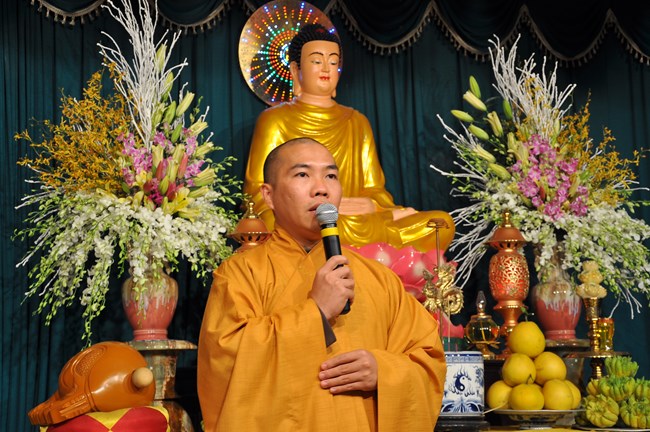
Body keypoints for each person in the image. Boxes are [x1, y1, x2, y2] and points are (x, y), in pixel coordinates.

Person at [198, 137, 446, 431]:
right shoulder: (241, 274)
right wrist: (315, 312)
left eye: (330, 176)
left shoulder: (380, 279)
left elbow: (428, 360)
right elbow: (226, 365)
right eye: (303, 174)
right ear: (268, 195)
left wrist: (384, 372)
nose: (321, 188)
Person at [244, 23, 455, 253]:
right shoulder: (275, 120)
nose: (326, 68)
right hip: (306, 219)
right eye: (316, 61)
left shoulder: (356, 121)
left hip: (356, 222)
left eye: (333, 62)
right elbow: (256, 194)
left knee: (441, 224)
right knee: (277, 225)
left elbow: (374, 189)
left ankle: (345, 243)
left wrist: (372, 206)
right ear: (296, 69)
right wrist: (316, 207)